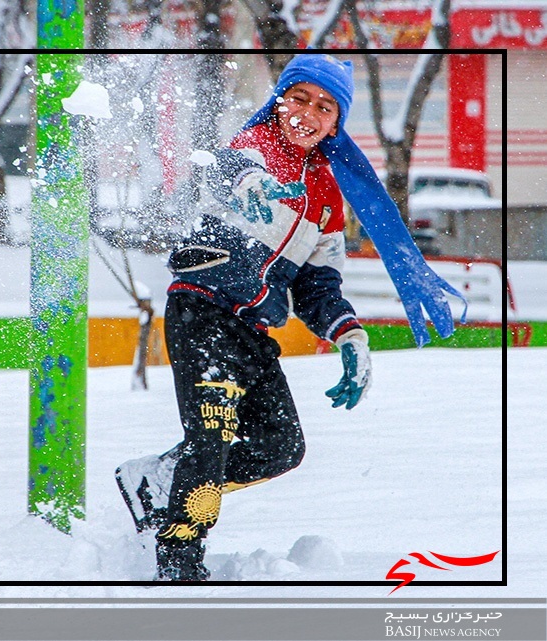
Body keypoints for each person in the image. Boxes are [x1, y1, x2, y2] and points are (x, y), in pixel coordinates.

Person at [115, 53, 465, 581]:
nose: (308, 112)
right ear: (279, 101)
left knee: (281, 447)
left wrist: (348, 334)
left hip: (254, 329)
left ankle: (158, 480)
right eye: (299, 97)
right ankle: (179, 563)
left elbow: (317, 283)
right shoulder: (252, 144)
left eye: (325, 107)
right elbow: (233, 165)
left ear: (336, 123)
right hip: (202, 309)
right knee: (212, 434)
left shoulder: (327, 195)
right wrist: (251, 185)